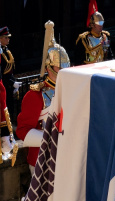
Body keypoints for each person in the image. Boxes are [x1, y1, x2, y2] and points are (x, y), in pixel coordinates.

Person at [16, 38, 70, 175]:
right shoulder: (35, 95)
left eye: (66, 66)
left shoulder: (72, 89)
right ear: (48, 68)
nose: (63, 71)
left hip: (69, 157)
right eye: (59, 67)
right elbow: (22, 131)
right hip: (43, 158)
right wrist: (52, 139)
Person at [0, 26, 21, 116]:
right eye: (6, 37)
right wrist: (12, 83)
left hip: (9, 85)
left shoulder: (6, 50)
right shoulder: (0, 53)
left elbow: (10, 70)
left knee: (12, 109)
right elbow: (2, 73)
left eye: (8, 37)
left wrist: (14, 82)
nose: (8, 39)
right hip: (4, 85)